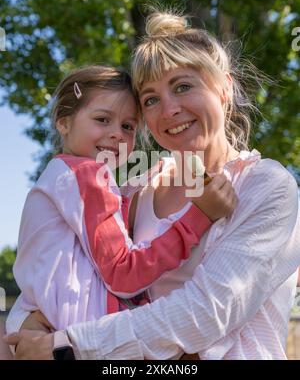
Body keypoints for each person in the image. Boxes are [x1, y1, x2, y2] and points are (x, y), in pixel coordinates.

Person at [4, 9, 300, 360]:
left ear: (225, 87)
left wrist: (64, 346)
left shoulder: (267, 186)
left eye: (183, 86)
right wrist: (26, 320)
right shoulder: (136, 189)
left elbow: (206, 313)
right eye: (151, 99)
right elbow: (68, 271)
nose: (168, 109)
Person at [1, 64, 236, 359]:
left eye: (128, 126)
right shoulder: (85, 176)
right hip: (82, 343)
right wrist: (199, 216)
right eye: (102, 119)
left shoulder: (68, 178)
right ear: (64, 122)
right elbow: (123, 274)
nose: (116, 135)